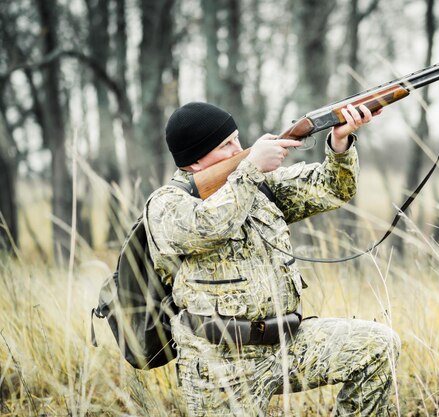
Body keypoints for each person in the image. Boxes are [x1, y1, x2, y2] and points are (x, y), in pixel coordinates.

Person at [145, 101, 401, 416]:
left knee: (378, 346)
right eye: (227, 145)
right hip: (220, 363)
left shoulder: (256, 185)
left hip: (287, 343)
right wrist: (251, 169)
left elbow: (332, 189)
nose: (240, 149)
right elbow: (208, 227)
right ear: (195, 161)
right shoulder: (166, 204)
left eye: (237, 139)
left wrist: (339, 142)